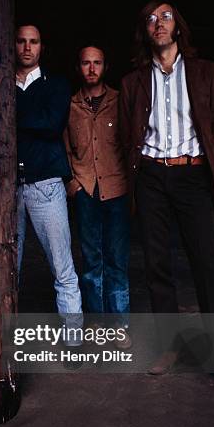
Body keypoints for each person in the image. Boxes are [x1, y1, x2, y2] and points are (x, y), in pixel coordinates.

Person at [119, 0, 214, 396]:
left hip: (192, 175)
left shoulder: (208, 72)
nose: (159, 23)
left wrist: (201, 155)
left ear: (179, 28)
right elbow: (127, 132)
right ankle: (169, 346)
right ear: (145, 30)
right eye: (152, 18)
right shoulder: (133, 81)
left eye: (167, 16)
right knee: (157, 264)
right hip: (152, 176)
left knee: (206, 263)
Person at [64, 45, 130, 347]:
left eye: (97, 63)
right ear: (79, 67)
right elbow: (63, 145)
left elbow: (131, 142)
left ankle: (119, 326)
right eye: (86, 63)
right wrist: (72, 179)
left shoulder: (120, 101)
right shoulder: (71, 104)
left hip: (116, 190)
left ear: (105, 66)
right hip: (86, 190)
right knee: (91, 261)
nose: (92, 69)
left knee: (116, 259)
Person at [15, 24, 82, 324]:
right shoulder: (1, 83)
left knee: (62, 266)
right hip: (6, 187)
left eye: (34, 42)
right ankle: (4, 343)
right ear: (13, 45)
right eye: (21, 41)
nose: (27, 47)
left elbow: (52, 124)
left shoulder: (56, 84)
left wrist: (9, 114)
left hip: (47, 185)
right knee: (5, 270)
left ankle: (73, 337)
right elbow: (37, 120)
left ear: (42, 46)